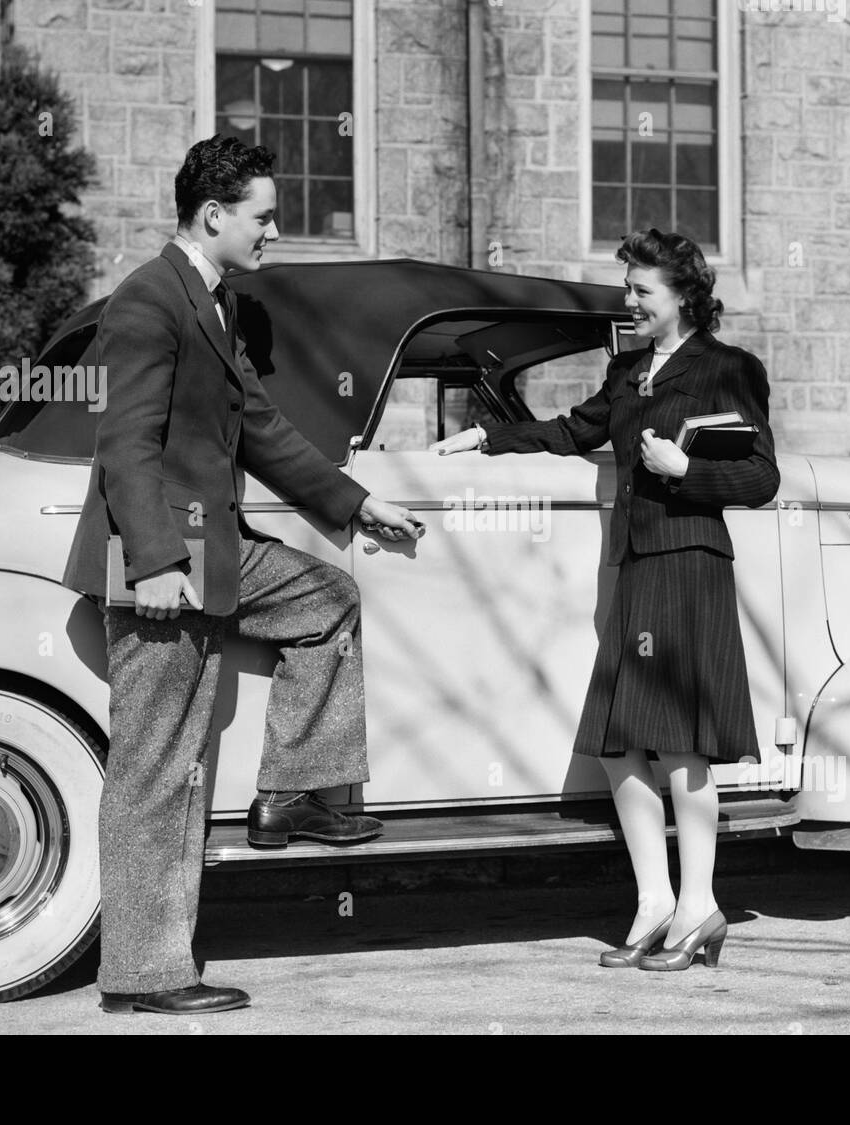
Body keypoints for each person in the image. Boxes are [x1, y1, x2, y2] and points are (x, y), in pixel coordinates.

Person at [62, 135, 424, 1015]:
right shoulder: (152, 298)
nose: (273, 232)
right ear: (213, 214)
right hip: (162, 566)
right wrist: (150, 561)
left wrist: (355, 502)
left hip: (212, 553)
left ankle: (292, 792)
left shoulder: (215, 303)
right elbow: (126, 444)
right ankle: (145, 975)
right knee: (157, 766)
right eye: (262, 216)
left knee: (327, 598)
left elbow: (260, 428)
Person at [432, 229, 778, 970]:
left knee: (680, 742)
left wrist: (686, 467)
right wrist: (488, 441)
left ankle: (701, 904)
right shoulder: (627, 370)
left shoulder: (729, 368)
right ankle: (655, 901)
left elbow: (760, 477)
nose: (630, 303)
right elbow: (573, 430)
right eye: (628, 290)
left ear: (684, 296)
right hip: (634, 567)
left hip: (689, 563)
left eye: (642, 292)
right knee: (618, 741)